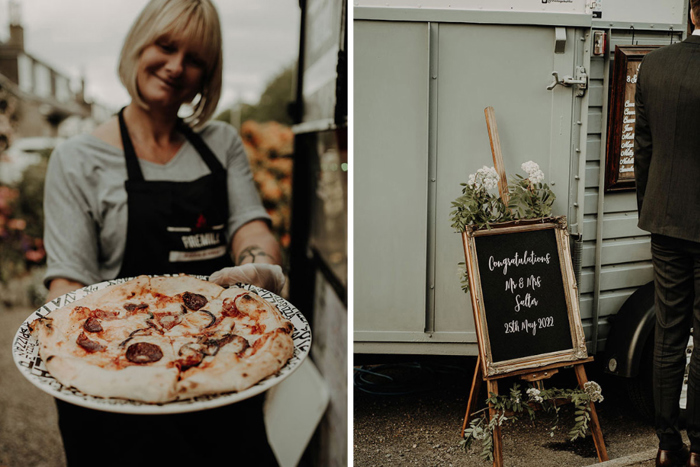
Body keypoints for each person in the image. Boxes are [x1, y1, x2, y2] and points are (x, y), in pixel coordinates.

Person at [42, 0, 283, 465]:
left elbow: (250, 225)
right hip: (116, 396)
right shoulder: (76, 159)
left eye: (195, 60)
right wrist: (83, 347)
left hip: (222, 360)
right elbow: (68, 284)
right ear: (138, 43)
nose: (176, 67)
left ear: (207, 75)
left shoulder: (221, 143)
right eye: (166, 46)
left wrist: (259, 266)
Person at [635, 2, 700, 466]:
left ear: (693, 14)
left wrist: (651, 208)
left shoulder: (654, 66)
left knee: (669, 332)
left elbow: (643, 147)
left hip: (664, 218)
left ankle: (666, 444)